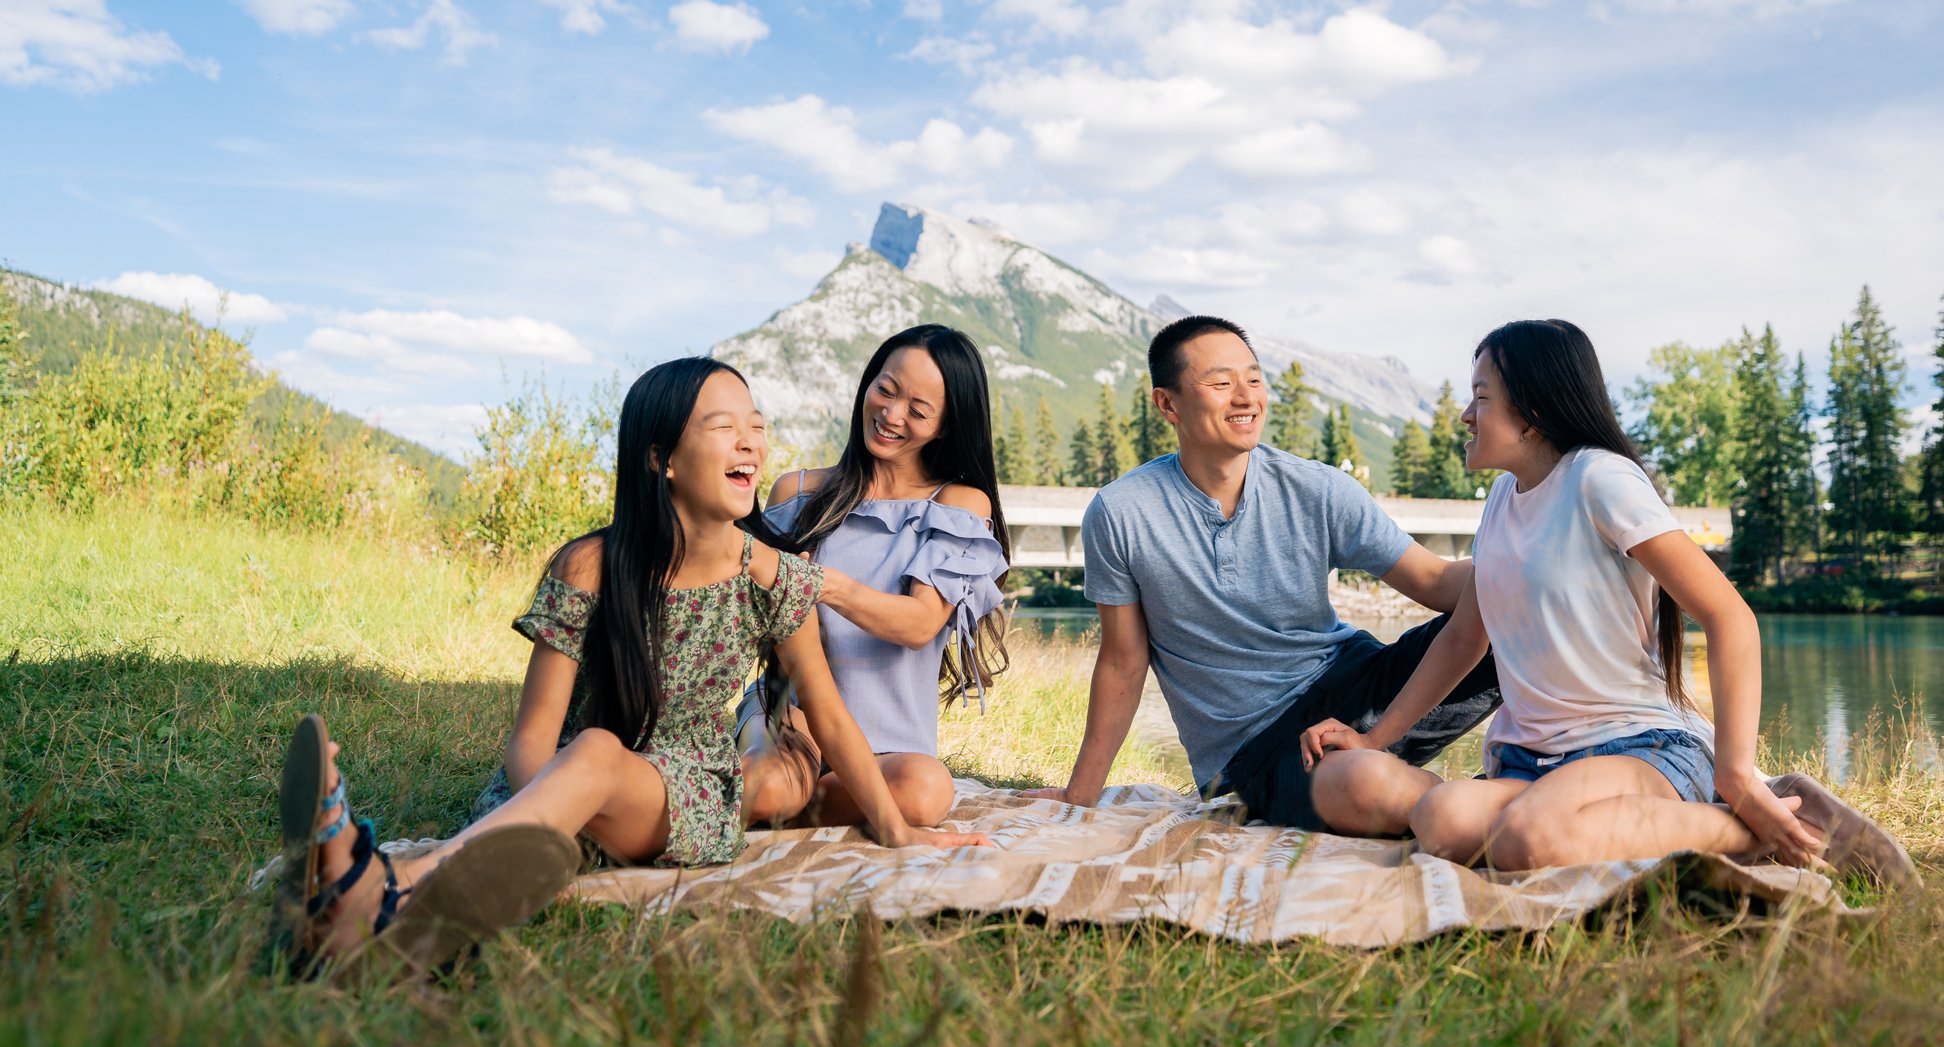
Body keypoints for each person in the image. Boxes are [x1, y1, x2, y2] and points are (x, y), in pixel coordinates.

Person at [267, 357, 989, 977]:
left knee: (596, 752)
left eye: (756, 423)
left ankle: (378, 878)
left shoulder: (773, 578)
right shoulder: (589, 566)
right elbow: (530, 738)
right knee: (590, 752)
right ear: (660, 458)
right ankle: (368, 904)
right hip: (566, 783)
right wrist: (555, 821)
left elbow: (829, 715)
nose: (750, 441)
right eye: (721, 424)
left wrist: (895, 827)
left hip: (693, 794)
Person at [1299, 319, 1916, 885]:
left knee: (1528, 842)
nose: (1466, 414)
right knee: (1437, 818)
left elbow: (1730, 617)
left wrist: (1736, 771)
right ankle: (1669, 822)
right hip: (1531, 759)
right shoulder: (1501, 501)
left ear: (1533, 412)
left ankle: (1751, 820)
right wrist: (1375, 740)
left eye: (1482, 397)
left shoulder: (1600, 478)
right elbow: (1464, 638)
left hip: (1638, 745)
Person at [1028, 314, 1502, 835]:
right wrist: (1081, 793)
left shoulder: (1317, 488)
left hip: (1360, 685)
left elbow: (1435, 582)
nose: (1246, 397)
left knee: (1518, 622)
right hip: (1257, 747)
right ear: (1168, 403)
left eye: (1254, 379)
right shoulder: (1121, 513)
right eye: (1221, 382)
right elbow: (1122, 661)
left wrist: (1536, 576)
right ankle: (1486, 803)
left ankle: (1541, 771)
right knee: (1367, 786)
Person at [759, 324, 1011, 828]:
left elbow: (919, 623)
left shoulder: (957, 504)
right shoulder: (796, 491)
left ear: (944, 426)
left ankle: (786, 803)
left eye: (917, 411)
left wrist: (820, 583)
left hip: (893, 748)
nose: (891, 415)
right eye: (886, 389)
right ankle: (777, 794)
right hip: (797, 720)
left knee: (925, 792)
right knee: (776, 781)